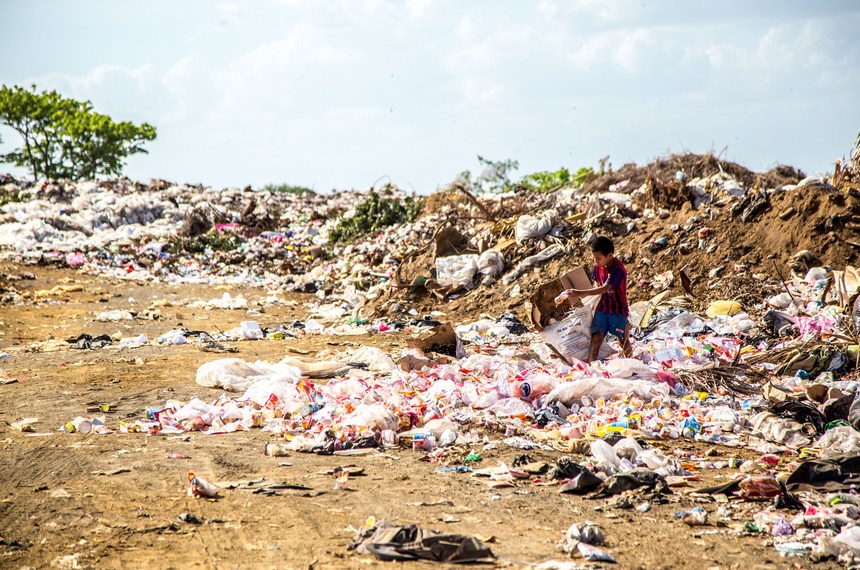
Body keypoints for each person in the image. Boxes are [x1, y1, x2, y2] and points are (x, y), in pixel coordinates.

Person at [555, 235, 631, 361]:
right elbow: (596, 285)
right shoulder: (598, 267)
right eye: (594, 259)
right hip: (602, 307)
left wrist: (577, 292)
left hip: (617, 309)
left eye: (599, 259)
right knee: (596, 337)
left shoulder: (618, 270)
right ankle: (592, 365)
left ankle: (631, 361)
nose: (596, 262)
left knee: (622, 339)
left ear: (610, 255)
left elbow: (604, 288)